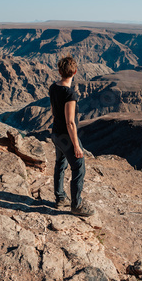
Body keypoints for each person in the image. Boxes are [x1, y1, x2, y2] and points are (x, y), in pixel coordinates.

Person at [49, 56, 95, 217]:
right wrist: (76, 145)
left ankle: (60, 197)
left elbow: (54, 112)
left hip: (56, 133)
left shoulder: (53, 87)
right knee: (79, 167)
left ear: (60, 71)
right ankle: (76, 205)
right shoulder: (70, 94)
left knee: (60, 164)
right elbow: (70, 123)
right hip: (66, 136)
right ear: (75, 72)